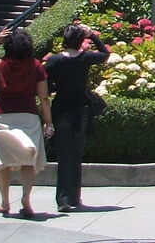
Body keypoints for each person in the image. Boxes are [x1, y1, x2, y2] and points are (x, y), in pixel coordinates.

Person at [0, 27, 52, 218]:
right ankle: (26, 199)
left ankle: (5, 202)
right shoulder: (36, 66)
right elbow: (43, 98)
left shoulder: (2, 64)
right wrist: (48, 122)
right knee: (28, 161)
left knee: (3, 162)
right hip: (28, 116)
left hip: (1, 116)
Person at [44, 22, 109, 212]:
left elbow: (46, 85)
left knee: (63, 154)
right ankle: (75, 196)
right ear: (80, 40)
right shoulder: (85, 58)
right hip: (80, 109)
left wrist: (58, 87)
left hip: (62, 108)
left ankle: (63, 198)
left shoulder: (55, 61)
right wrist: (93, 36)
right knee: (77, 153)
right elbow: (105, 54)